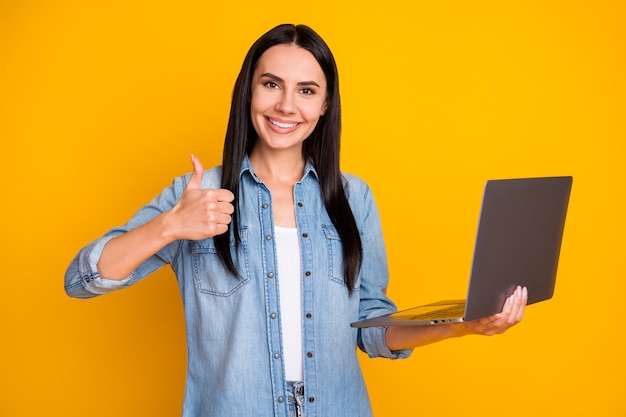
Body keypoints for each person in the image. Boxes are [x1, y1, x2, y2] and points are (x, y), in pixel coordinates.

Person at [65, 23, 527, 417]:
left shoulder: (354, 197)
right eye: (271, 84)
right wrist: (170, 225)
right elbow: (81, 278)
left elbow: (374, 328)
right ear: (249, 90)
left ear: (325, 106)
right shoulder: (195, 195)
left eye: (307, 91)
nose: (287, 106)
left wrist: (464, 325)